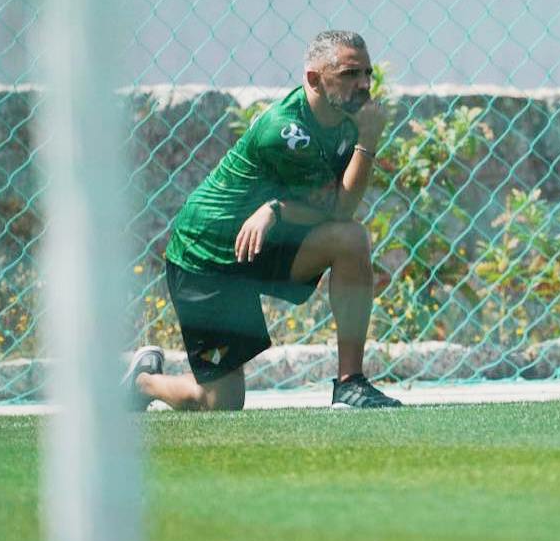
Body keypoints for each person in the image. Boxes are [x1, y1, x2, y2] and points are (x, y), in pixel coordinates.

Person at [124, 30, 403, 411]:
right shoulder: (286, 131)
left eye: (367, 73)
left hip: (263, 244)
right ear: (314, 79)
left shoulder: (348, 118)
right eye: (350, 74)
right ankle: (144, 382)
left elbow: (335, 214)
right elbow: (338, 206)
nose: (365, 85)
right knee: (220, 402)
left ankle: (351, 384)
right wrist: (368, 141)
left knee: (350, 239)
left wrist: (276, 211)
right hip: (207, 259)